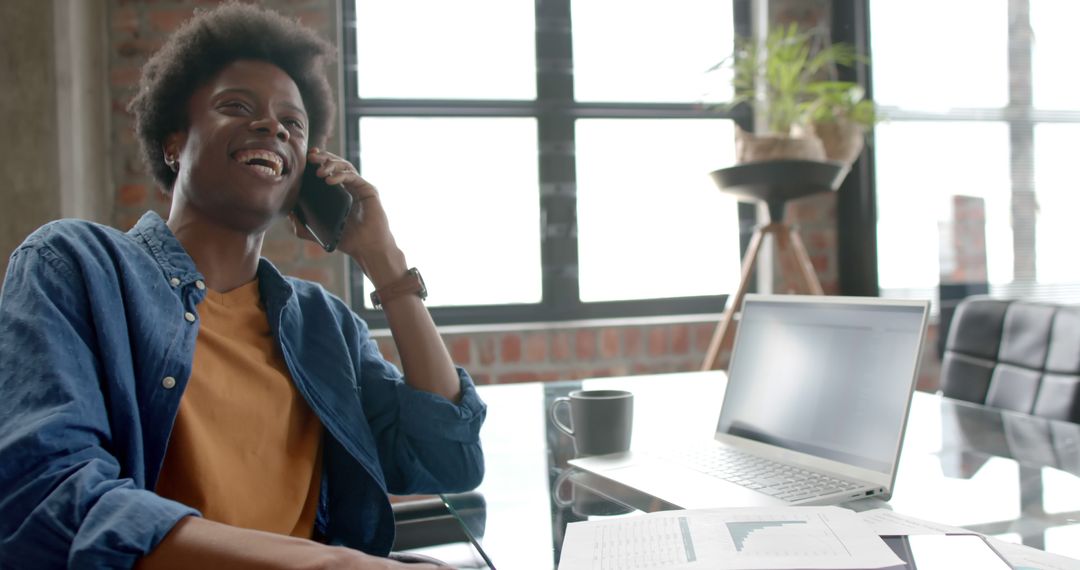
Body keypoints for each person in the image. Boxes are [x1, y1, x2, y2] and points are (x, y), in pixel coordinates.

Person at [0, 3, 485, 568]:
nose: (272, 126)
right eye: (236, 107)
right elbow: (47, 499)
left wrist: (384, 261)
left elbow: (448, 460)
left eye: (293, 125)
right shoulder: (75, 267)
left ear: (304, 174)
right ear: (173, 143)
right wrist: (335, 564)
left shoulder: (323, 324)